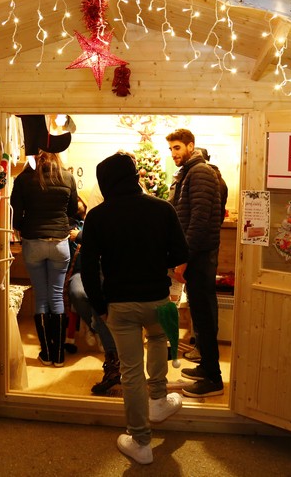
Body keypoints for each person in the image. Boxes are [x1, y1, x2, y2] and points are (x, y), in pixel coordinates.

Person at [81, 151, 189, 465]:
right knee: (157, 340)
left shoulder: (98, 216)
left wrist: (100, 307)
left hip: (120, 304)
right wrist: (156, 259)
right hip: (158, 299)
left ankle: (141, 442)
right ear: (136, 177)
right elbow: (180, 252)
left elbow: (88, 269)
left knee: (130, 373)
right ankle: (158, 399)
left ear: (105, 183)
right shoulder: (162, 209)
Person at [165, 128, 224, 398]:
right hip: (197, 255)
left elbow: (199, 221)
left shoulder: (199, 172)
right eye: (171, 149)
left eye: (177, 147)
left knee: (205, 315)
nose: (174, 153)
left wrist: (183, 259)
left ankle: (213, 379)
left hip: (199, 256)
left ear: (191, 146)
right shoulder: (190, 172)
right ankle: (206, 368)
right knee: (201, 314)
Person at [10, 150, 78, 368]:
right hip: (60, 243)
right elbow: (73, 210)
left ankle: (46, 353)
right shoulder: (67, 177)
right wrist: (62, 226)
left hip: (34, 241)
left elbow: (15, 212)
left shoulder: (24, 178)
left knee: (41, 297)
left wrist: (24, 228)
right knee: (56, 296)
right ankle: (59, 355)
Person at [64, 198, 122, 394]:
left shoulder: (96, 221)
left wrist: (80, 236)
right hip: (80, 272)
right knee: (78, 293)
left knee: (104, 300)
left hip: (104, 273)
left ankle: (99, 333)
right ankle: (93, 327)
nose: (80, 205)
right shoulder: (67, 225)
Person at [182, 147, 228, 363]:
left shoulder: (201, 175)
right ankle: (204, 352)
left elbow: (199, 219)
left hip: (201, 250)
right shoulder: (215, 177)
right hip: (206, 248)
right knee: (203, 302)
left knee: (203, 303)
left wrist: (186, 254)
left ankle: (205, 355)